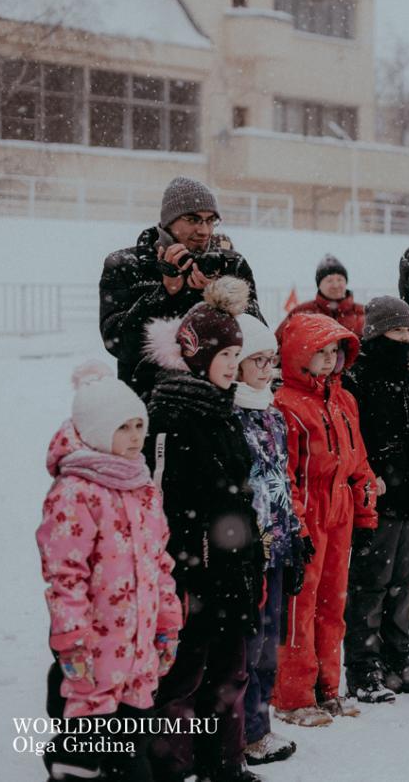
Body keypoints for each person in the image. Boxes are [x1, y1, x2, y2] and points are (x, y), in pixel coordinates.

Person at [142, 277, 264, 782]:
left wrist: (249, 562)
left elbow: (237, 496)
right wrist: (184, 573)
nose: (233, 364)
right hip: (191, 577)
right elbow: (164, 504)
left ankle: (224, 765)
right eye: (224, 353)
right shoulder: (169, 413)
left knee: (230, 675)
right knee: (182, 681)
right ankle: (172, 768)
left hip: (230, 569)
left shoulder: (223, 410)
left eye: (238, 352)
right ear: (196, 354)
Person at [37, 361, 181, 782]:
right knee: (83, 752)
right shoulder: (76, 492)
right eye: (124, 428)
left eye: (140, 425)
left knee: (131, 749)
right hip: (94, 648)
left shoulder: (141, 486)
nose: (137, 436)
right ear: (99, 431)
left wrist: (167, 622)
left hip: (137, 650)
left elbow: (160, 562)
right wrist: (71, 640)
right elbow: (65, 575)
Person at [271, 313, 377, 726]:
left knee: (334, 602)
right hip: (309, 510)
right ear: (299, 354)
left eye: (336, 351)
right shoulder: (286, 406)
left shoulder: (344, 399)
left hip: (340, 507)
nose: (331, 360)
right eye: (321, 352)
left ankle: (327, 688)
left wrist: (366, 515)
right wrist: (296, 526)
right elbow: (286, 475)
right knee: (300, 604)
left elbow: (359, 462)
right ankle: (293, 696)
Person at [343, 296, 409, 700]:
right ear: (377, 332)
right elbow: (360, 437)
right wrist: (375, 474)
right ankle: (364, 666)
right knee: (371, 583)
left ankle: (398, 658)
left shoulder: (407, 377)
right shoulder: (360, 376)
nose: (405, 338)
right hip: (379, 493)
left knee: (405, 581)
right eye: (398, 330)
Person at [100, 176, 262, 397]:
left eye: (210, 220)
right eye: (193, 219)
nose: (204, 230)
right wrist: (164, 293)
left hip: (219, 402)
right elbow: (119, 344)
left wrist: (217, 298)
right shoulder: (127, 264)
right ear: (169, 221)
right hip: (151, 401)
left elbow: (258, 339)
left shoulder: (230, 264)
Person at [232, 315, 301, 767]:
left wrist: (293, 533)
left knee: (269, 642)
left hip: (276, 543)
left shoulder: (273, 414)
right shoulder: (230, 414)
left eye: (270, 360)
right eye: (257, 360)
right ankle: (247, 733)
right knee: (249, 642)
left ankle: (262, 724)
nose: (266, 368)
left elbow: (282, 479)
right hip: (246, 547)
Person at [287, 254, 365, 337]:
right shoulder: (302, 312)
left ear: (346, 282)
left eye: (340, 279)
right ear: (319, 285)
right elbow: (280, 342)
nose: (335, 285)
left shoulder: (363, 312)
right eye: (329, 280)